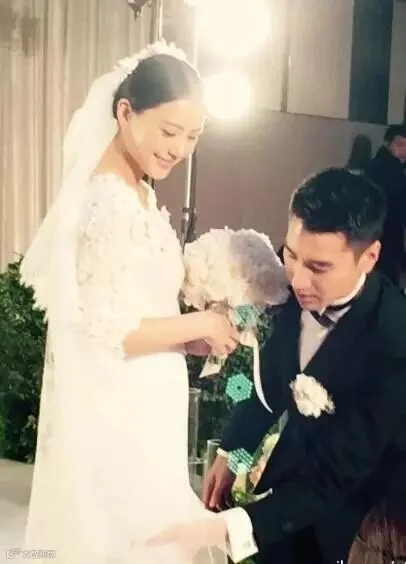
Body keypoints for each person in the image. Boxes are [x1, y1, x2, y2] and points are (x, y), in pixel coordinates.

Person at [20, 42, 238, 564]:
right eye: (169, 131)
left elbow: (134, 312)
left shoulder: (138, 190)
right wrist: (202, 322)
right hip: (116, 411)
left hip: (147, 401)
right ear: (124, 113)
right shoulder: (106, 200)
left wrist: (189, 338)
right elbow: (105, 329)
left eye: (192, 137)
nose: (179, 149)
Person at [148, 169, 406, 564]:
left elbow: (336, 475)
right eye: (292, 255)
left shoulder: (394, 341)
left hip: (360, 523)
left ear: (369, 257)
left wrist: (227, 528)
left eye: (318, 267)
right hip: (285, 494)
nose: (297, 280)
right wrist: (232, 452)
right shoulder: (286, 290)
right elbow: (267, 387)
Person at [365, 124, 406, 287]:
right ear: (387, 144)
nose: (404, 149)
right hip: (386, 228)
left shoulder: (394, 166)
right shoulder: (386, 168)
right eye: (400, 144)